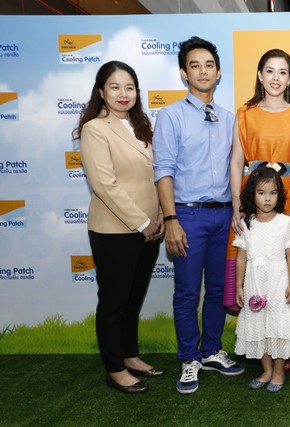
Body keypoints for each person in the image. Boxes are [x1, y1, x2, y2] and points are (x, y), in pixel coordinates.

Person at [153, 36, 244, 394]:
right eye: (195, 65)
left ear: (219, 73)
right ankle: (189, 358)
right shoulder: (171, 116)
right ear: (184, 73)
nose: (203, 71)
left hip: (225, 217)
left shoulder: (230, 119)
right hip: (187, 216)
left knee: (220, 289)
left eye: (209, 65)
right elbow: (163, 171)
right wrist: (171, 219)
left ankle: (211, 351)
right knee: (188, 292)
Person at [75, 60, 164, 393]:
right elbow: (105, 184)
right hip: (115, 230)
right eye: (115, 87)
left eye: (129, 87)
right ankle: (114, 368)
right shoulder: (95, 129)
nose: (123, 93)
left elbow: (155, 176)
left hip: (150, 228)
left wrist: (159, 216)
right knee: (114, 302)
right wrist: (142, 222)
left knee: (132, 300)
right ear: (101, 91)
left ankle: (130, 355)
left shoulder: (142, 126)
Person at [224, 48, 290, 375]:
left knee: (284, 269)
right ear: (260, 75)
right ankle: (262, 347)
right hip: (252, 195)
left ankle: (283, 346)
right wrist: (237, 202)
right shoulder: (244, 114)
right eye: (270, 71)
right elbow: (236, 161)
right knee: (256, 262)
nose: (276, 78)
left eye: (283, 72)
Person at [233, 167, 290, 393]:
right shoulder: (246, 224)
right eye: (261, 193)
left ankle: (279, 372)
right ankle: (266, 370)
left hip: (278, 282)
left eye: (273, 193)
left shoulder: (285, 223)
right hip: (254, 283)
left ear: (279, 195)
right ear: (252, 194)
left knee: (278, 328)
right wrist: (239, 286)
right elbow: (241, 257)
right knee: (259, 327)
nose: (267, 199)